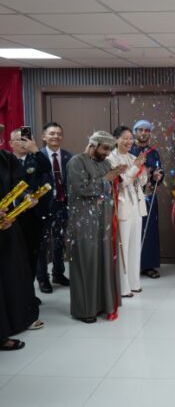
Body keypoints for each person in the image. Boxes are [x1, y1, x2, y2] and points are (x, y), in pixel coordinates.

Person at [67, 131, 126, 323]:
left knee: (104, 262)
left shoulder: (105, 162)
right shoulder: (77, 161)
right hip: (83, 222)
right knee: (87, 264)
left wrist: (117, 174)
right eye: (105, 148)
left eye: (110, 149)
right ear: (93, 145)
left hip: (104, 220)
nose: (107, 153)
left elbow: (110, 186)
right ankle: (85, 310)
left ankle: (103, 305)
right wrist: (107, 178)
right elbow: (79, 188)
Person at [0, 123, 40, 349]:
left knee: (14, 275)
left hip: (8, 224)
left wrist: (26, 198)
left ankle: (16, 321)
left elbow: (19, 185)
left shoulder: (7, 159)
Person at [107, 126, 148, 298]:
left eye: (131, 138)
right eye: (125, 138)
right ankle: (123, 287)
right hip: (122, 206)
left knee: (135, 247)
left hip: (136, 206)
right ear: (116, 139)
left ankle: (134, 283)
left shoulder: (132, 157)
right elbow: (120, 183)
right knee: (123, 247)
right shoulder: (110, 159)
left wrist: (142, 169)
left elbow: (142, 182)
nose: (129, 141)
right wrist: (135, 168)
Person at [9, 127, 52, 281]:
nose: (23, 143)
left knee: (32, 253)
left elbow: (47, 168)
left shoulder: (35, 159)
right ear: (11, 143)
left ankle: (30, 287)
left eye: (26, 139)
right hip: (10, 216)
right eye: (19, 140)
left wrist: (36, 150)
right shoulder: (6, 160)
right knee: (13, 255)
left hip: (33, 214)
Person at [37, 122, 72, 294]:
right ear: (44, 136)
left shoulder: (69, 157)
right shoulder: (37, 156)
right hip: (43, 207)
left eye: (59, 133)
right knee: (42, 245)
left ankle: (58, 273)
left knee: (60, 242)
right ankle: (43, 278)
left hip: (62, 205)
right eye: (51, 133)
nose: (55, 136)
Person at [131, 120, 164, 279]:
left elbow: (159, 170)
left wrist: (158, 176)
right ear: (135, 132)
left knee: (149, 230)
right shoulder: (128, 149)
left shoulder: (153, 152)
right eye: (140, 130)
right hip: (130, 196)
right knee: (131, 229)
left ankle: (148, 265)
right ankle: (130, 265)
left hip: (148, 196)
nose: (143, 133)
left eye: (147, 130)